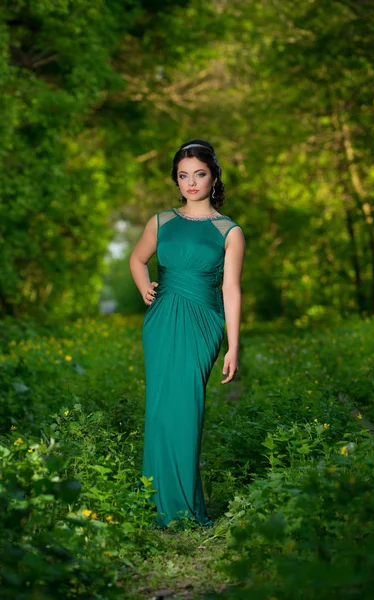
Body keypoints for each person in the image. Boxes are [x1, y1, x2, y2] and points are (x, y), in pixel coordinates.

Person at [129, 139, 245, 528]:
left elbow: (231, 289)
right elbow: (137, 258)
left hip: (203, 323)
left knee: (187, 409)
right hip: (162, 321)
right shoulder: (160, 221)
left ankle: (183, 505)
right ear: (176, 181)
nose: (191, 182)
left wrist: (233, 344)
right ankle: (156, 501)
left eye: (199, 174)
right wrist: (144, 285)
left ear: (213, 178)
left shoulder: (229, 231)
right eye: (183, 175)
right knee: (161, 409)